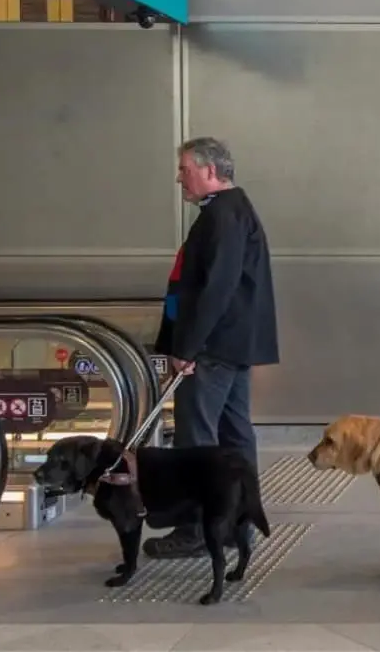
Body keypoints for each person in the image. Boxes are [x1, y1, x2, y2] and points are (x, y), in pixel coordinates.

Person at [144, 136, 280, 559]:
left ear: (209, 171)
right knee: (235, 436)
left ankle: (198, 529)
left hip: (212, 349)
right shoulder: (231, 211)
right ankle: (236, 522)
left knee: (196, 440)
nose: (179, 178)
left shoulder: (222, 215)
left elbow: (215, 289)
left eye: (185, 169)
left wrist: (187, 345)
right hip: (231, 345)